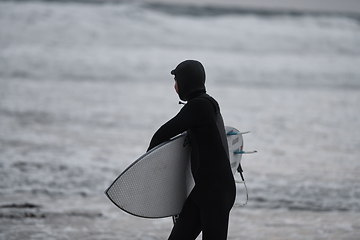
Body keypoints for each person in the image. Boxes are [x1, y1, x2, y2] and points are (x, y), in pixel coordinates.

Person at [147, 60, 236, 240]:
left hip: (215, 193)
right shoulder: (207, 103)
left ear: (185, 82)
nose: (175, 86)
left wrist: (150, 167)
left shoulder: (198, 106)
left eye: (176, 81)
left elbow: (161, 134)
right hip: (205, 191)